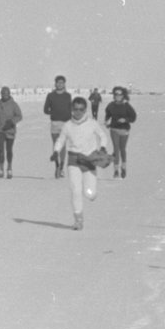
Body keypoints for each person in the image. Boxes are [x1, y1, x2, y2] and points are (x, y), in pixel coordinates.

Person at [53, 96, 112, 230]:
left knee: (89, 193)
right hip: (73, 160)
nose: (78, 112)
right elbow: (61, 140)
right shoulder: (68, 125)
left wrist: (103, 147)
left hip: (89, 160)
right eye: (75, 109)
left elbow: (102, 135)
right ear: (72, 109)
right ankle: (78, 220)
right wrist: (56, 151)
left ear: (85, 110)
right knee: (75, 190)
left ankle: (92, 194)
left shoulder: (92, 123)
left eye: (81, 109)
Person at [104, 86, 138, 179]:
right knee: (116, 149)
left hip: (124, 130)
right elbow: (108, 114)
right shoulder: (111, 105)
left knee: (122, 149)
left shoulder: (126, 106)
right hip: (114, 129)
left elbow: (133, 117)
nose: (118, 96)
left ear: (123, 95)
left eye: (120, 94)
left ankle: (123, 167)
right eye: (116, 94)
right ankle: (116, 170)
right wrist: (107, 121)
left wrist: (125, 120)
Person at [0, 86, 23, 178]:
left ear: (9, 94)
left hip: (10, 130)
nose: (5, 95)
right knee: (1, 149)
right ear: (1, 94)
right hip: (0, 129)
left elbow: (19, 116)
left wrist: (12, 122)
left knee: (9, 150)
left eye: (6, 93)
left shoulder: (14, 104)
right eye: (3, 93)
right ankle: (1, 169)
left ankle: (9, 168)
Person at [43, 75, 72, 178]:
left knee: (63, 146)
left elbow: (70, 109)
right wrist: (53, 112)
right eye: (58, 82)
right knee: (56, 146)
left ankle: (62, 168)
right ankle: (57, 166)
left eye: (62, 82)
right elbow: (45, 109)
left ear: (64, 84)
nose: (60, 84)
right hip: (55, 123)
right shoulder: (51, 95)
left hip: (65, 124)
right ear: (55, 84)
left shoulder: (68, 96)